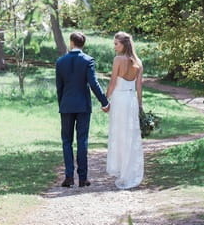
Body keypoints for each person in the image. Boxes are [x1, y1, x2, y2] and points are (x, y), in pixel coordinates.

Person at [55, 32, 110, 188]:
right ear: (82, 44)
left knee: (66, 141)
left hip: (66, 106)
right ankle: (83, 178)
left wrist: (62, 104)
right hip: (83, 106)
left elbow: (59, 87)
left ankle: (68, 177)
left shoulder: (60, 62)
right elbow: (93, 83)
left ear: (71, 42)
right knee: (82, 141)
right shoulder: (88, 61)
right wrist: (104, 102)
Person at [106, 31, 144, 189]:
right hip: (131, 100)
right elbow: (139, 87)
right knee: (131, 135)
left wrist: (105, 99)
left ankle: (122, 169)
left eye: (116, 43)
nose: (114, 46)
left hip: (119, 99)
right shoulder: (138, 61)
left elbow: (113, 81)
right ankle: (128, 170)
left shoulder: (118, 59)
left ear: (124, 44)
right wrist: (140, 105)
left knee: (119, 133)